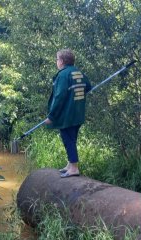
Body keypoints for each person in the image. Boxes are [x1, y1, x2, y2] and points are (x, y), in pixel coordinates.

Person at [44, 49, 91, 178]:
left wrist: (51, 116)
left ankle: (74, 168)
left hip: (67, 115)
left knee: (68, 140)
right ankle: (70, 164)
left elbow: (59, 97)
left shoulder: (63, 75)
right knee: (72, 139)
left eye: (57, 59)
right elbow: (88, 86)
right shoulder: (78, 72)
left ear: (62, 61)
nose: (56, 61)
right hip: (78, 113)